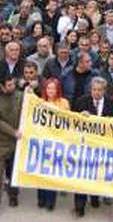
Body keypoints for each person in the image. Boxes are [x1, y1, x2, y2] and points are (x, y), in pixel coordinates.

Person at [71, 77, 113, 217]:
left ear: (104, 90)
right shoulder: (81, 102)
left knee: (98, 173)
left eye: (99, 90)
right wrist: (80, 117)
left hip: (103, 147)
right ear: (90, 89)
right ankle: (79, 206)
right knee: (82, 175)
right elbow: (72, 122)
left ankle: (95, 197)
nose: (96, 93)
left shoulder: (112, 104)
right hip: (84, 145)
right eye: (94, 89)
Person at [0, 76, 23, 216]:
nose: (13, 87)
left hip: (16, 141)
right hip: (1, 142)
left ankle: (13, 196)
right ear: (1, 87)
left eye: (13, 84)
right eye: (9, 85)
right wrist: (13, 132)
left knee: (14, 171)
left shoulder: (19, 95)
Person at [37, 78, 69, 211]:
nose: (51, 91)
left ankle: (51, 201)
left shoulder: (64, 103)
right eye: (48, 88)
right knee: (41, 172)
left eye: (53, 88)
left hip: (57, 142)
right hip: (42, 142)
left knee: (52, 173)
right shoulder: (40, 102)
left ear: (57, 90)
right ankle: (41, 198)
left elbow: (68, 121)